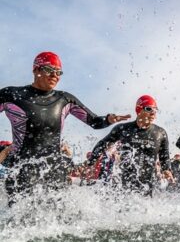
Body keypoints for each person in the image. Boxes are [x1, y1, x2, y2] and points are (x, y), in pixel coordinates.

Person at [0, 52, 130, 206]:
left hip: (54, 168)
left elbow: (94, 122)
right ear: (36, 70)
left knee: (57, 219)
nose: (55, 75)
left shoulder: (64, 99)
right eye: (49, 69)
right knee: (20, 219)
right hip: (22, 167)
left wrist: (109, 119)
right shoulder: (11, 95)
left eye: (58, 72)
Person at [88, 95, 173, 196]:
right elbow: (102, 144)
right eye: (149, 109)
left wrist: (166, 169)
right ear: (139, 110)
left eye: (155, 109)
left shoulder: (160, 133)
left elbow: (164, 156)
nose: (153, 112)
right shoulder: (123, 129)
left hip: (149, 185)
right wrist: (90, 163)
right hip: (125, 184)